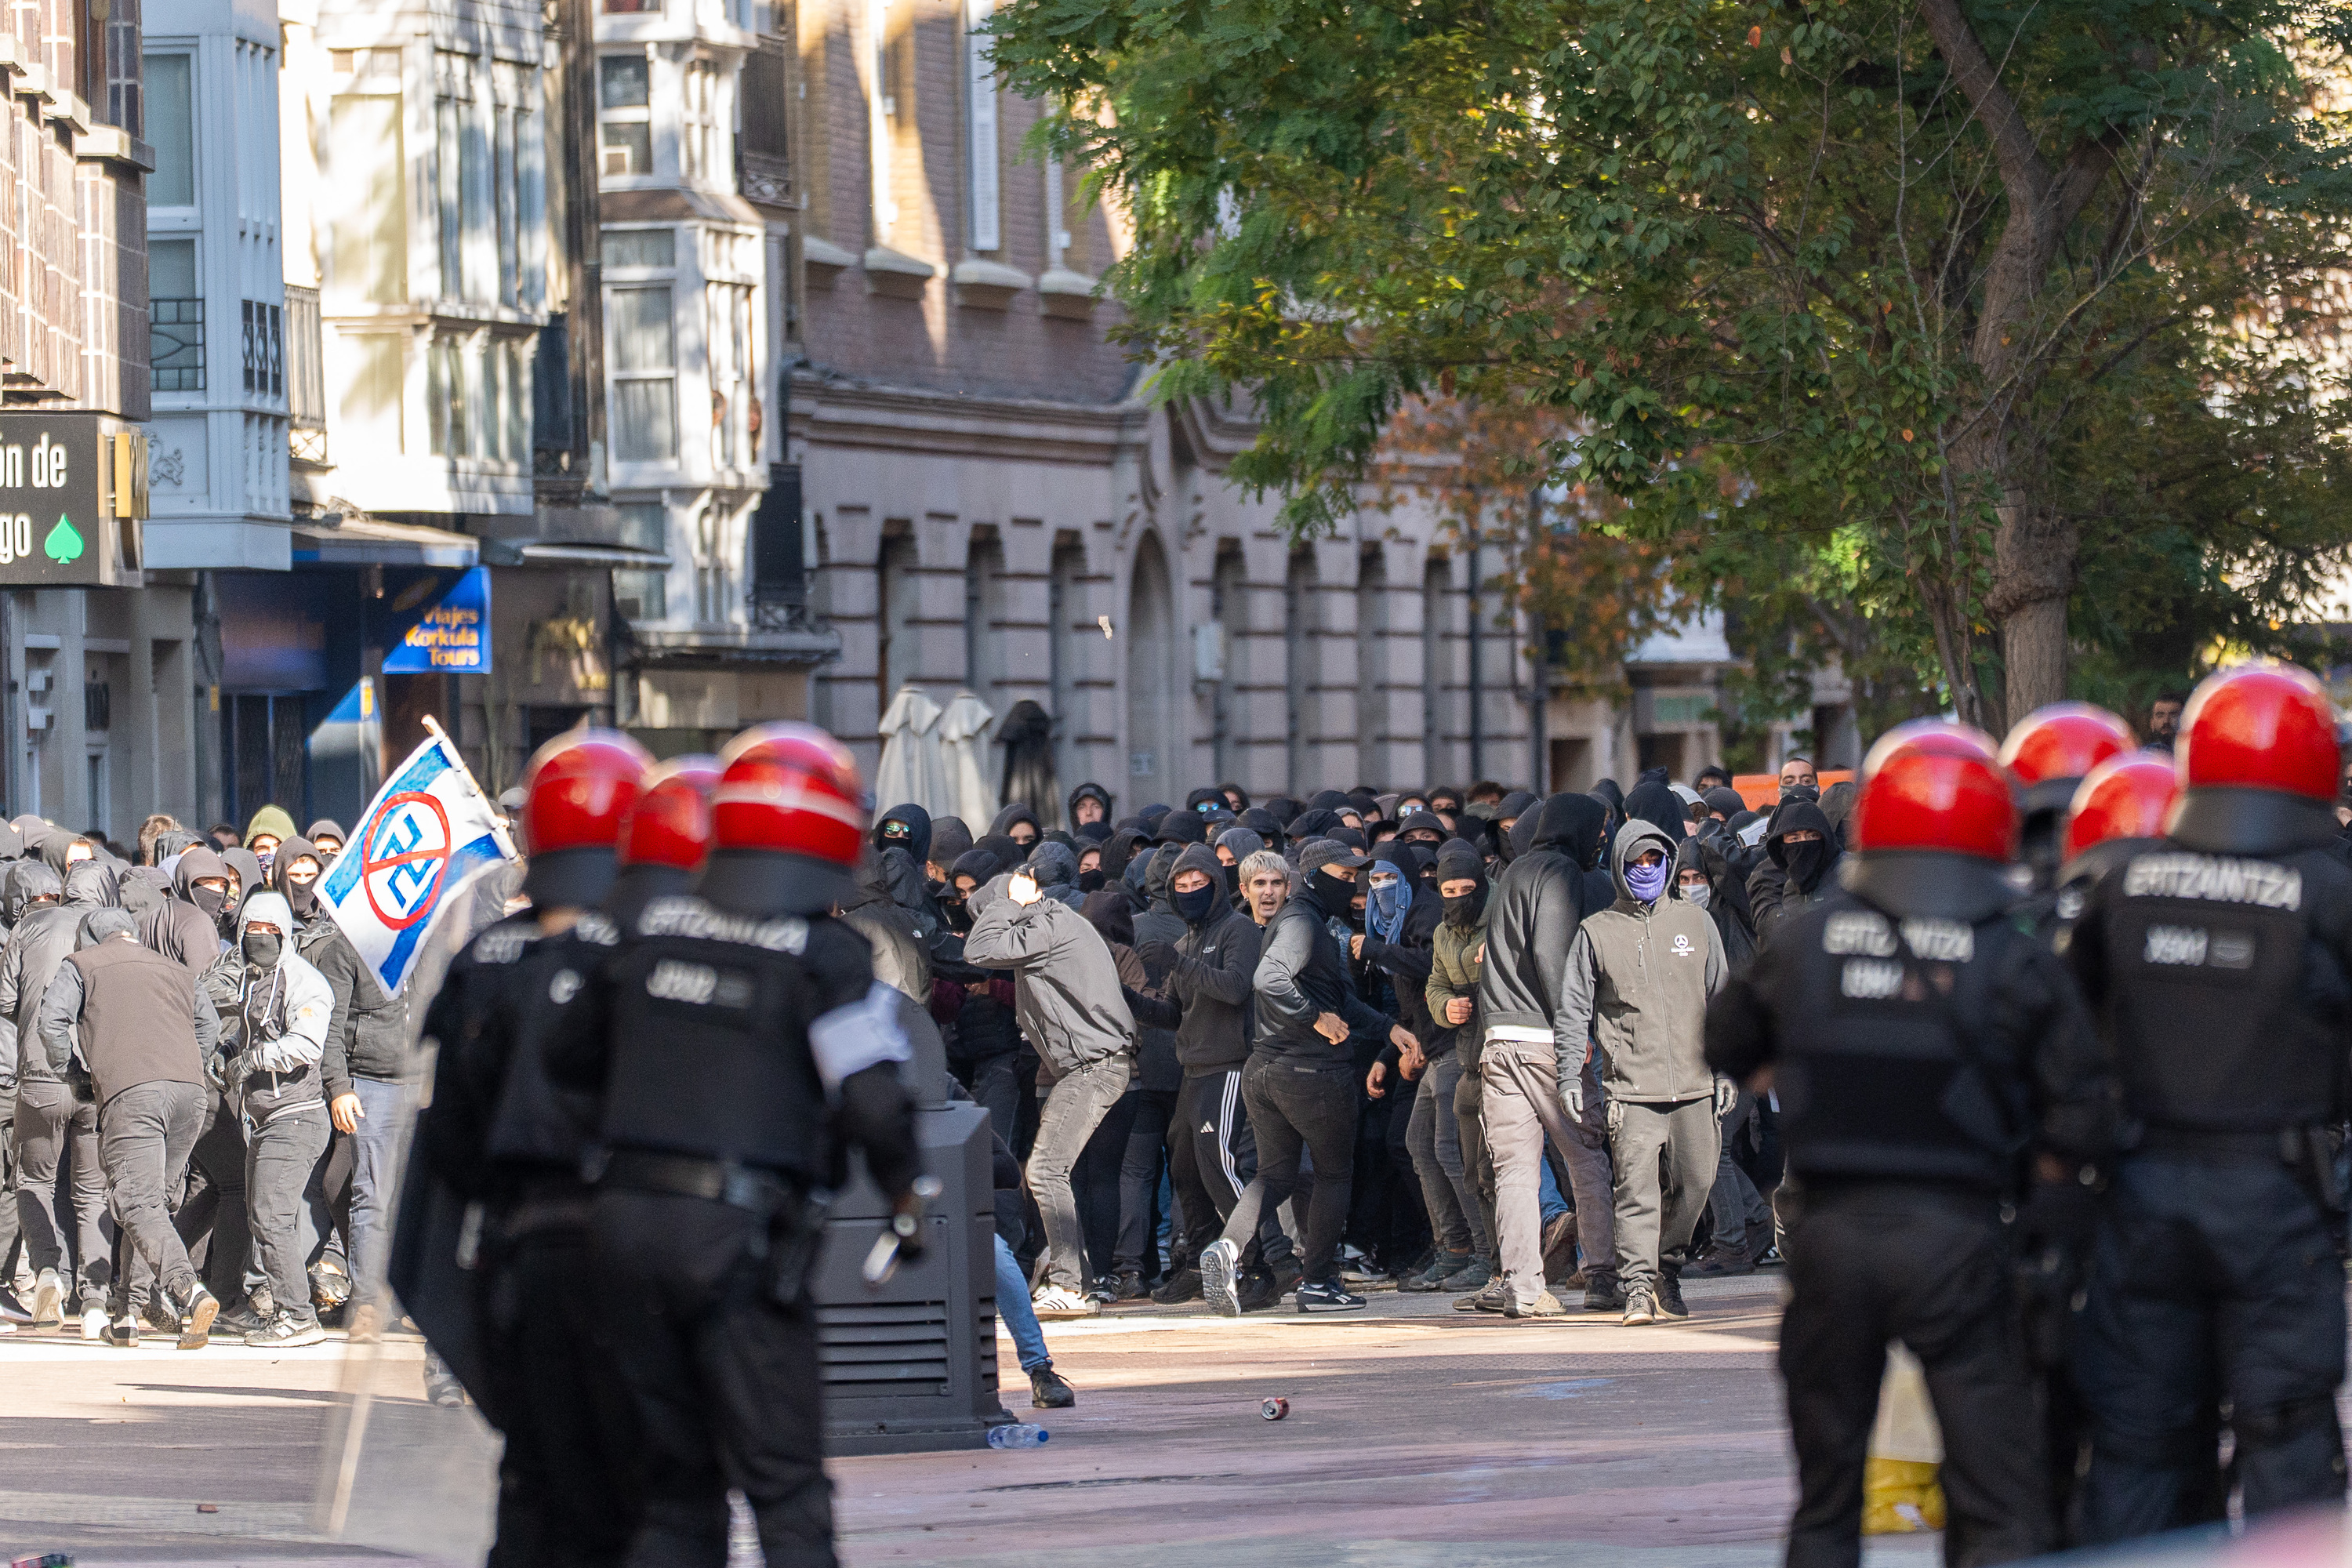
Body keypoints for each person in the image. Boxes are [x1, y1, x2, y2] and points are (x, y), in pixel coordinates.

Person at [1706, 725, 2122, 1568]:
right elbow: (2083, 1110)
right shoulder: (2011, 950)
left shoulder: (1806, 938)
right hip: (1961, 1234)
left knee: (1827, 1500)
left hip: (1830, 1235)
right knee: (1995, 1497)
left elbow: (1724, 1041)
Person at [546, 724, 923, 1566]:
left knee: (673, 1486)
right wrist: (907, 1195)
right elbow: (873, 1099)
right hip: (739, 1241)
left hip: (623, 1231)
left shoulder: (646, 929)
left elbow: (567, 1055)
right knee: (784, 1482)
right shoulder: (826, 955)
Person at [2067, 666, 2352, 1543]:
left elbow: (2053, 1034)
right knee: (2288, 1440)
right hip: (2278, 1203)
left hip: (2140, 1197)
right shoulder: (2331, 892)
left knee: (2141, 1447)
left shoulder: (2122, 882)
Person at [407, 728, 655, 1565]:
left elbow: (446, 1132)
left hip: (523, 1246)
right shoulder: (654, 956)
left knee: (536, 1472)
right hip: (638, 1248)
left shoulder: (484, 957)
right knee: (652, 1479)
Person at [1199, 840, 1415, 1316]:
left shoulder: (1305, 922)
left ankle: (1228, 1247)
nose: (1353, 884)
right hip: (1309, 1071)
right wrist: (1316, 1018)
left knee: (1275, 1174)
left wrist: (1390, 1028)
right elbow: (1268, 979)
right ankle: (1318, 1282)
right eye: (1345, 874)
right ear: (1315, 877)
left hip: (1268, 1070)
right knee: (1332, 1174)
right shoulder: (1302, 921)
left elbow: (1339, 998)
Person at [1558, 818, 1730, 1325]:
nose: (1647, 870)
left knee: (1697, 1182)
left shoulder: (1697, 925)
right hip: (1631, 1089)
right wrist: (1570, 1073)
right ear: (1620, 866)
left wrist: (1730, 1070)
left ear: (1669, 864)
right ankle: (1637, 1286)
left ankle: (1665, 1267)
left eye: (1656, 861)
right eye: (1637, 862)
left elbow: (1724, 999)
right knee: (1636, 1190)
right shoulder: (1598, 931)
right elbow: (1573, 1009)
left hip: (1697, 1084)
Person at [34, 906, 221, 1346]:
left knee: (137, 1203)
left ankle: (186, 1289)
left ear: (90, 938)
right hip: (189, 1094)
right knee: (153, 1204)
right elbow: (209, 1025)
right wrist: (188, 1064)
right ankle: (128, 1313)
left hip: (131, 1092)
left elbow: (50, 1022)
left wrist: (77, 1077)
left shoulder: (82, 964)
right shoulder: (176, 969)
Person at [964, 858, 1136, 1319]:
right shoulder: (1057, 925)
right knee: (1051, 1171)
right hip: (1087, 1065)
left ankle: (1071, 1285)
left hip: (1093, 1066)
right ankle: (1069, 1272)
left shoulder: (1044, 926)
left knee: (1045, 1171)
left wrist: (1006, 905)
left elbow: (978, 951)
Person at [1476, 793, 1617, 1316]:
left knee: (1515, 1168)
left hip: (1500, 1040)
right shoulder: (1559, 871)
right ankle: (1602, 1275)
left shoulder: (1514, 871)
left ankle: (1523, 1286)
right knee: (1586, 1159)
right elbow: (1552, 951)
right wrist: (1572, 1027)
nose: (1601, 838)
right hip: (1546, 1041)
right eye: (1597, 828)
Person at [1144, 846, 1297, 1308]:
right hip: (1193, 1069)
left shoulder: (1239, 930)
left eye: (1199, 884)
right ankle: (1199, 1263)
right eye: (1182, 887)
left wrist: (1180, 966)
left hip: (1229, 1065)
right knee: (1186, 1168)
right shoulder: (1185, 943)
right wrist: (1125, 999)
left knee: (1222, 1163)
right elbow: (1174, 1013)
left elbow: (1235, 989)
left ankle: (1263, 1266)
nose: (1191, 892)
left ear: (1217, 885)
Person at [209, 887, 336, 1347]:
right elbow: (244, 1030)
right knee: (257, 1211)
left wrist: (253, 1060)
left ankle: (298, 1315)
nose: (260, 939)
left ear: (287, 935)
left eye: (271, 932)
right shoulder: (249, 978)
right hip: (263, 1116)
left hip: (297, 1115)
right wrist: (227, 1051)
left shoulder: (304, 981)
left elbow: (306, 1045)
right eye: (252, 930)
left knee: (271, 1213)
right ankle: (251, 1305)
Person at [5, 859, 110, 1332]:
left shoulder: (29, 927)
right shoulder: (113, 932)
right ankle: (95, 1299)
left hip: (39, 1074)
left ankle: (47, 1273)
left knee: (34, 1181)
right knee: (91, 1191)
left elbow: (6, 999)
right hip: (95, 1078)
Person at [1400, 840, 1493, 1293]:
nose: (1458, 898)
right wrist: (1447, 1006)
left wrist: (1473, 993)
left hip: (1481, 1049)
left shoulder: (1498, 920)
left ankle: (1481, 1251)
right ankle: (1455, 1246)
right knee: (1419, 1143)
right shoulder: (1442, 932)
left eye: (1467, 889)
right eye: (1449, 890)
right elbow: (1435, 985)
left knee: (1453, 1151)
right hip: (1451, 1041)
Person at [2143, 689, 2187, 753]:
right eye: (2160, 716)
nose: (2166, 721)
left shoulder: (2195, 755)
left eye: (2173, 715)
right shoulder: (2142, 758)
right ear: (2152, 723)